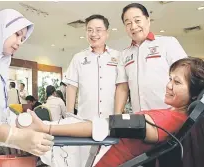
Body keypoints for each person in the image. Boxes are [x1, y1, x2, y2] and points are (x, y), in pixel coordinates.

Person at [18, 57, 204, 167]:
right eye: (170, 79)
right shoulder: (175, 116)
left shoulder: (169, 121)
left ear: (194, 93)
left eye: (177, 82)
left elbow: (105, 126)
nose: (169, 85)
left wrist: (47, 128)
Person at [0, 9, 53, 167]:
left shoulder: (0, 64)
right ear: (2, 28)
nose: (20, 42)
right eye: (17, 34)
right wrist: (13, 136)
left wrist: (21, 125)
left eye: (23, 38)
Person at [63, 14, 121, 166]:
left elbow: (122, 87)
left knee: (109, 160)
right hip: (85, 120)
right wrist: (69, 115)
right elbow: (71, 86)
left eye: (98, 30)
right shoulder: (79, 58)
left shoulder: (117, 57)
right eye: (89, 30)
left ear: (107, 33)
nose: (93, 34)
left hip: (111, 121)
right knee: (84, 161)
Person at [115, 3, 188, 114]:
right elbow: (123, 87)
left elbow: (186, 76)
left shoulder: (167, 43)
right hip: (139, 118)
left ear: (148, 20)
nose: (133, 26)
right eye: (128, 23)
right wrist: (117, 116)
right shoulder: (124, 54)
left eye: (137, 20)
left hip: (169, 113)